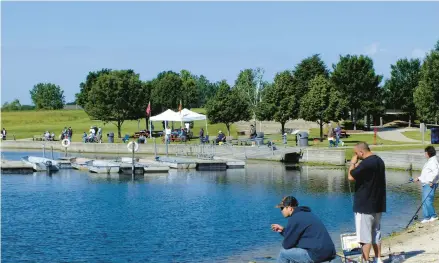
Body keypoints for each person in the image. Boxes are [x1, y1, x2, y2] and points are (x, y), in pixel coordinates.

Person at [348, 142, 386, 263]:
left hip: (364, 204)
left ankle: (365, 260)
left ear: (361, 152)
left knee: (364, 236)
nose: (356, 155)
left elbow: (351, 177)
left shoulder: (366, 163)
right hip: (378, 203)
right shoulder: (379, 160)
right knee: (376, 232)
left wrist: (353, 163)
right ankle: (378, 258)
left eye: (356, 153)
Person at [271, 196, 336, 263]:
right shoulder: (307, 214)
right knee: (294, 252)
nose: (281, 211)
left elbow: (287, 245)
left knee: (283, 253)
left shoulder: (295, 218)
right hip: (330, 252)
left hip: (317, 255)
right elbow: (296, 235)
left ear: (290, 208)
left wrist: (287, 236)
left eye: (282, 208)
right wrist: (283, 230)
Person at [415, 145, 439, 223]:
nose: (424, 154)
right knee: (424, 201)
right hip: (426, 184)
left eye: (425, 153)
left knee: (428, 200)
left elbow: (436, 172)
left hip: (430, 184)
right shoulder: (430, 161)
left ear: (428, 153)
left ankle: (433, 216)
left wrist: (431, 181)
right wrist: (419, 178)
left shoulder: (433, 161)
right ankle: (427, 217)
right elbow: (426, 173)